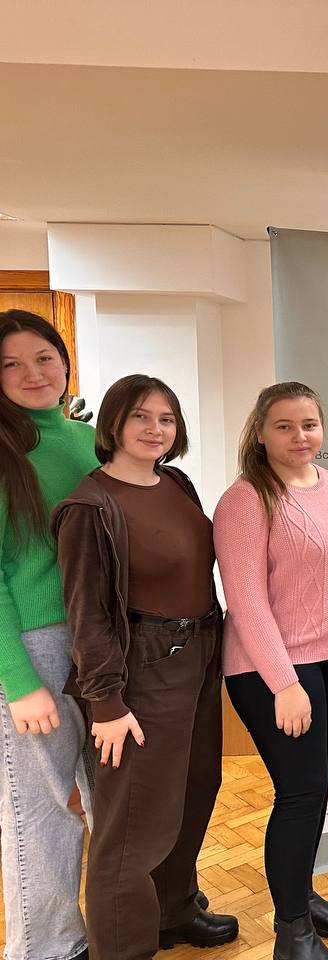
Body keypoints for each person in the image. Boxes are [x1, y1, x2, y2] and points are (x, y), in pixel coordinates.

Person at [53, 374, 238, 960]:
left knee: (193, 789)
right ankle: (122, 947)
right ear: (112, 422)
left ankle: (174, 912)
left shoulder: (176, 483)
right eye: (140, 416)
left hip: (201, 652)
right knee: (136, 818)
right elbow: (86, 614)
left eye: (166, 418)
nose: (155, 429)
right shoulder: (90, 506)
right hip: (142, 667)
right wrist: (106, 702)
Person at [214, 381, 328, 960]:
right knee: (300, 792)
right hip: (273, 668)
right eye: (284, 426)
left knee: (315, 788)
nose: (298, 436)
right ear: (260, 433)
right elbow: (245, 601)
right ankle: (292, 935)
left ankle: (302, 896)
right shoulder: (245, 500)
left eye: (308, 424)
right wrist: (284, 683)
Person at [0, 309, 99, 960]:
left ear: (65, 360)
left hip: (104, 641)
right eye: (10, 364)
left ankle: (113, 923)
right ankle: (47, 948)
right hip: (37, 642)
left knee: (112, 799)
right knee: (40, 807)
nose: (33, 373)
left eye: (43, 357)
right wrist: (19, 680)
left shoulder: (89, 440)